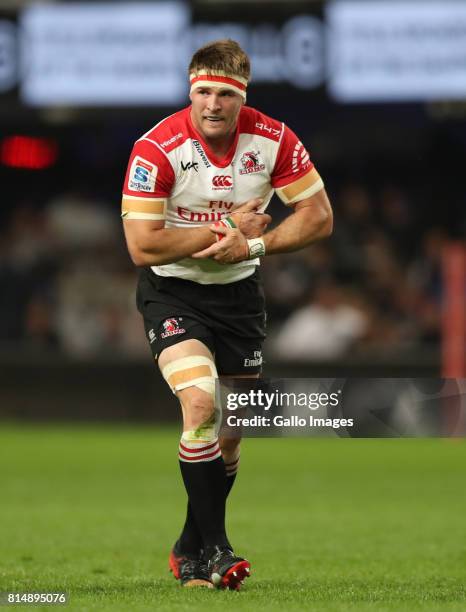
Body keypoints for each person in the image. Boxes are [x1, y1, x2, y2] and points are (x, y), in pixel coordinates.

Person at [122, 39, 333, 590]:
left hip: (240, 296)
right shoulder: (157, 148)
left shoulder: (274, 140)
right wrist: (226, 229)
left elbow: (318, 216)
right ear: (190, 90)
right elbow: (143, 247)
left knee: (232, 430)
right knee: (201, 403)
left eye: (222, 93)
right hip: (173, 294)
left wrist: (254, 247)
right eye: (201, 92)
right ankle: (217, 550)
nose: (210, 104)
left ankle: (189, 547)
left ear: (242, 96)